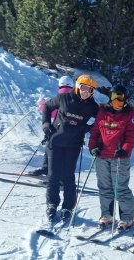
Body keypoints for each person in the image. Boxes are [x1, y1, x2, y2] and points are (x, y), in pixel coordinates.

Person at [42, 74, 98, 221]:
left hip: (73, 145)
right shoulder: (64, 98)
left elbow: (100, 122)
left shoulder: (93, 106)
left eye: (90, 90)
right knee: (53, 175)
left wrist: (86, 128)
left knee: (68, 176)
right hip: (55, 141)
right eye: (84, 88)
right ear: (78, 86)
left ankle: (68, 207)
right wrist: (46, 124)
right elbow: (47, 106)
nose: (86, 92)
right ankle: (52, 204)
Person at [88, 84, 134, 230]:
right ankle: (107, 215)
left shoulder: (130, 114)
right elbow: (95, 131)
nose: (117, 101)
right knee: (104, 187)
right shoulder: (102, 111)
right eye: (114, 97)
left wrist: (125, 150)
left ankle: (127, 218)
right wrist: (93, 147)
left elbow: (131, 136)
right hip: (102, 156)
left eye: (120, 98)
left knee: (120, 188)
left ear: (125, 99)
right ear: (110, 97)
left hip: (119, 158)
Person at [29, 76, 75, 176]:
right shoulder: (73, 97)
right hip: (71, 129)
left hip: (56, 127)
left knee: (51, 148)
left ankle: (47, 169)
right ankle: (58, 174)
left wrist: (42, 105)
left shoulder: (60, 97)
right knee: (62, 152)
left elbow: (53, 112)